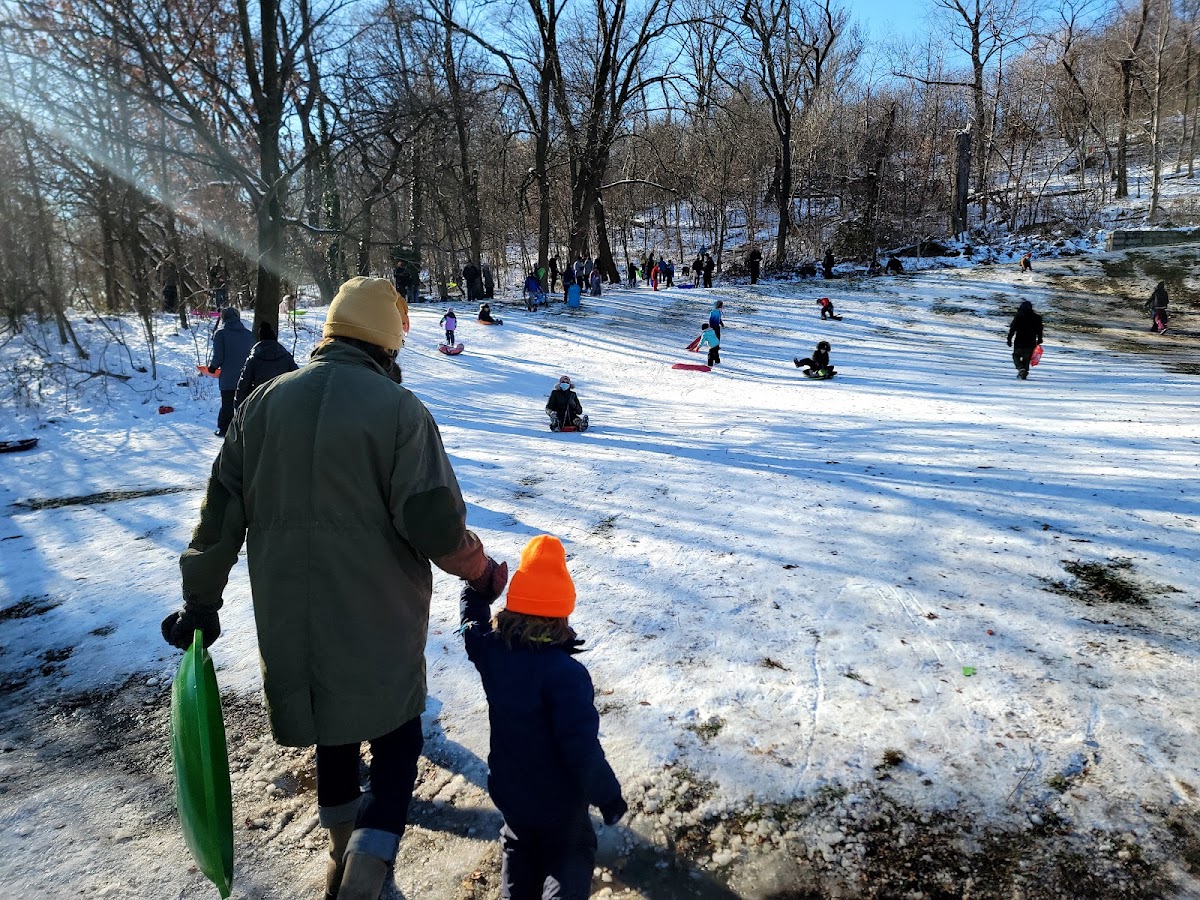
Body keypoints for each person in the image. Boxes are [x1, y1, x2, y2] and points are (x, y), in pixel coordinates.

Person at [162, 275, 504, 900]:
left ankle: (342, 854)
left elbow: (217, 518)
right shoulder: (400, 412)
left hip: (292, 620)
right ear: (386, 346)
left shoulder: (261, 405)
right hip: (379, 615)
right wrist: (481, 571)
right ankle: (367, 877)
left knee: (334, 732)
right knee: (398, 736)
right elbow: (434, 524)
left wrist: (199, 603)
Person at [459, 534, 626, 900]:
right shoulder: (566, 674)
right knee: (569, 854)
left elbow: (471, 628)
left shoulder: (493, 654)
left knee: (518, 847)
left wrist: (476, 594)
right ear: (562, 613)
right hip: (560, 805)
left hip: (511, 793)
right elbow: (580, 747)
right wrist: (608, 796)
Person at [208, 307, 255, 437]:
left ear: (224, 318)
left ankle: (225, 429)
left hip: (228, 376)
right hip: (246, 376)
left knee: (227, 404)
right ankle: (245, 428)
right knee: (244, 404)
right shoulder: (248, 334)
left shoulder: (221, 334)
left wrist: (212, 367)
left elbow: (219, 356)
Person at [234, 321, 299, 406]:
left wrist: (238, 407)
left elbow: (243, 385)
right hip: (282, 404)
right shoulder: (286, 357)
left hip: (259, 404)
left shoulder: (253, 359)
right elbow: (297, 379)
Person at [1006, 299, 1044, 380]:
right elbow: (1040, 330)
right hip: (1031, 342)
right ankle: (1024, 372)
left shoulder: (1019, 317)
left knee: (1016, 355)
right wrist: (1040, 338)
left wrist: (1009, 339)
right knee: (1027, 358)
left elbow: (1012, 329)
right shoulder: (1037, 318)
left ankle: (1020, 368)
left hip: (1019, 341)